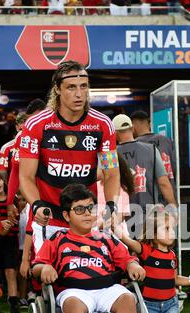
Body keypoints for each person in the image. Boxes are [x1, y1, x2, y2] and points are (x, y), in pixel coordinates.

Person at [32, 183, 145, 313]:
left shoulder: (106, 239)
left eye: (90, 208)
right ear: (67, 215)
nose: (87, 213)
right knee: (72, 304)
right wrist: (45, 269)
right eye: (79, 209)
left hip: (107, 289)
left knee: (128, 299)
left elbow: (126, 258)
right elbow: (37, 266)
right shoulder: (58, 239)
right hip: (74, 291)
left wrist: (132, 264)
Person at [19, 60, 120, 253]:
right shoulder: (36, 125)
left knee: (89, 277)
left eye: (84, 87)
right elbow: (26, 176)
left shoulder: (103, 124)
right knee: (49, 278)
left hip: (85, 220)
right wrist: (37, 205)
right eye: (71, 87)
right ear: (57, 89)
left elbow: (112, 173)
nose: (79, 94)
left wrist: (111, 206)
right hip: (49, 220)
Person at [112, 113, 177, 238]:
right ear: (132, 129)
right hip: (150, 213)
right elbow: (163, 182)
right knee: (150, 251)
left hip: (122, 215)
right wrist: (173, 205)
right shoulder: (151, 149)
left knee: (128, 253)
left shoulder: (111, 154)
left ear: (114, 133)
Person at [130, 110, 177, 199]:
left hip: (148, 198)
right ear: (149, 124)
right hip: (169, 195)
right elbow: (174, 167)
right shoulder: (166, 140)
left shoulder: (135, 145)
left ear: (133, 126)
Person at [0, 170, 22, 313]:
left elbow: (17, 217)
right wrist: (0, 225)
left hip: (11, 241)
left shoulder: (13, 199)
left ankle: (14, 307)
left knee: (11, 272)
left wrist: (10, 223)